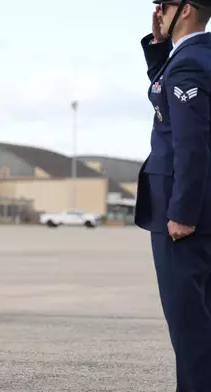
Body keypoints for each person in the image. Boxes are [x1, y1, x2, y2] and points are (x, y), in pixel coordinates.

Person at [135, 1, 211, 390]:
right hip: (201, 210)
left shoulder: (188, 65)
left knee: (190, 326)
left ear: (184, 11)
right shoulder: (198, 56)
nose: (157, 11)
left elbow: (191, 144)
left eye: (163, 4)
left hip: (184, 216)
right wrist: (159, 47)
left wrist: (182, 211)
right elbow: (166, 100)